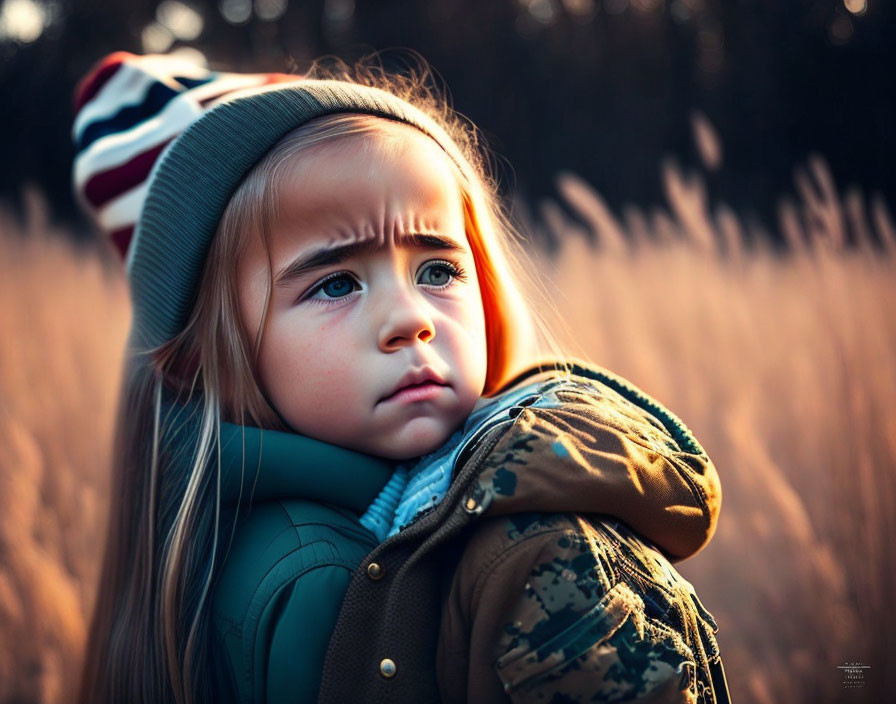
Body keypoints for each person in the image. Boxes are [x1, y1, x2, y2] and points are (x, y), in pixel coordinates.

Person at [72, 51, 730, 703]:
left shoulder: (352, 517)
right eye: (336, 283)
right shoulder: (327, 579)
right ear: (206, 353)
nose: (409, 319)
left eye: (438, 271)